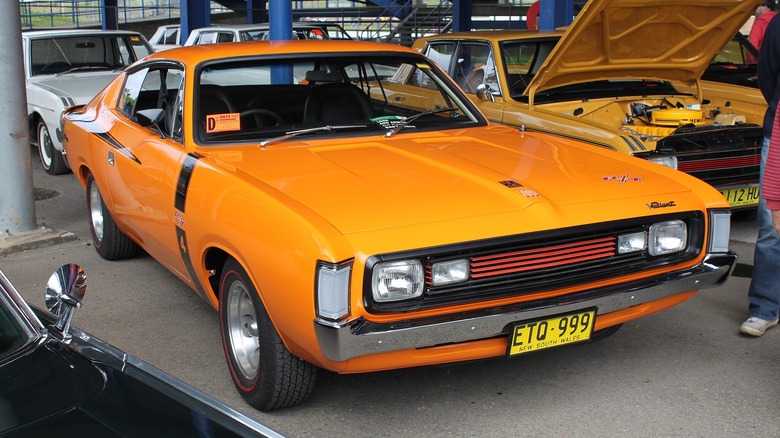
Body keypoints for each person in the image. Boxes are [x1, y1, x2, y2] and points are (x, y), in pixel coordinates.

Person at [741, 12, 780, 336]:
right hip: (778, 133)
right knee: (770, 224)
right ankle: (765, 307)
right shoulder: (778, 24)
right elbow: (768, 78)